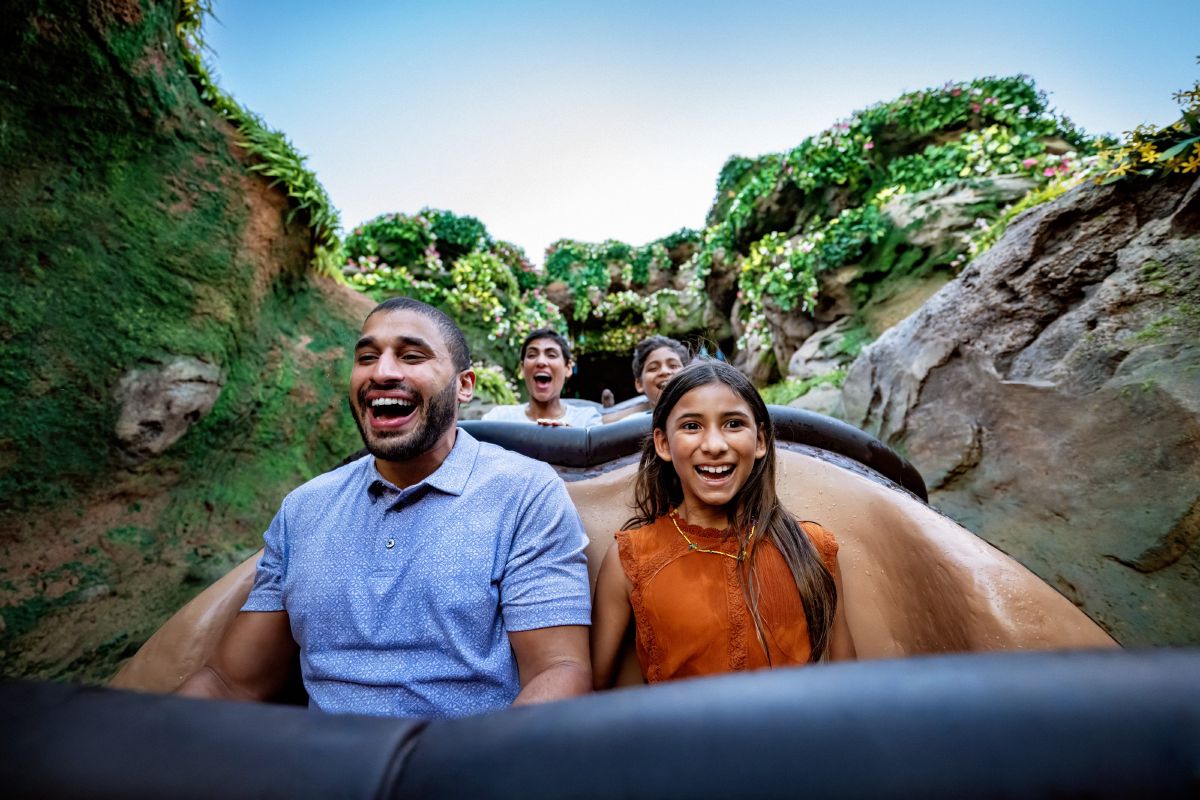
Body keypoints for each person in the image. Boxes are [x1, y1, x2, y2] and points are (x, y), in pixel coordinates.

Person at [177, 297, 593, 717]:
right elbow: (230, 682)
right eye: (367, 357)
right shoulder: (303, 509)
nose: (382, 372)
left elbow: (558, 671)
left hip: (464, 767)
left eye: (411, 356)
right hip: (317, 772)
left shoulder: (526, 493)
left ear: (463, 385)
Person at [590, 360, 855, 687]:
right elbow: (596, 696)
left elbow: (848, 685)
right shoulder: (631, 560)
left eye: (732, 424)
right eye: (691, 426)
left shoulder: (812, 548)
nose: (714, 445)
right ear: (663, 444)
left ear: (760, 441)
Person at [482, 328, 601, 427]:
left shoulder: (587, 420)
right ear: (522, 368)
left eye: (551, 355)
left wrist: (573, 440)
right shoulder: (498, 419)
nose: (541, 362)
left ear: (568, 368)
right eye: (532, 355)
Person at [600, 335, 690, 423]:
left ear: (688, 375)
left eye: (673, 366)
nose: (664, 371)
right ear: (639, 384)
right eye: (653, 368)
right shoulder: (630, 424)